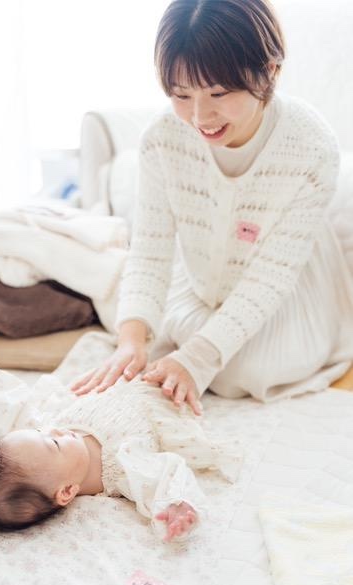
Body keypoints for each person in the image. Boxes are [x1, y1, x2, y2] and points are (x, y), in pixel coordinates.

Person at [71, 0, 353, 410]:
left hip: (286, 288)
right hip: (200, 279)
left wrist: (198, 358)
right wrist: (130, 341)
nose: (201, 116)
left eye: (219, 93)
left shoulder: (312, 146)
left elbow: (272, 275)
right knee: (149, 339)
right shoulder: (162, 139)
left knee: (245, 372)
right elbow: (150, 250)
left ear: (270, 71)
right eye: (181, 94)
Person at [0, 340, 241, 543]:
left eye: (43, 433)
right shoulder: (123, 469)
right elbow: (164, 474)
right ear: (66, 492)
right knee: (222, 371)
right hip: (167, 395)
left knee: (162, 337)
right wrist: (176, 506)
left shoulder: (42, 444)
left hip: (129, 372)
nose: (54, 431)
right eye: (54, 444)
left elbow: (14, 413)